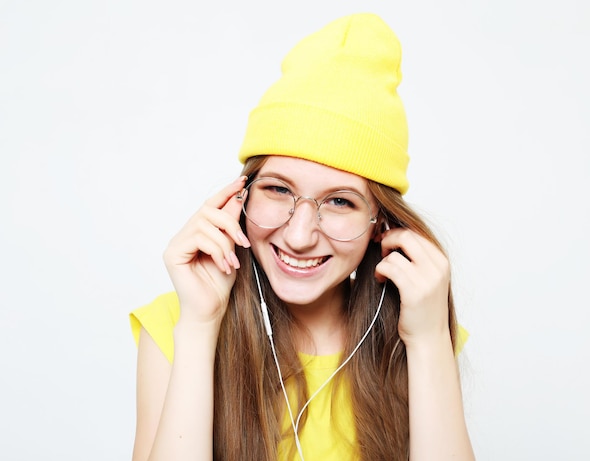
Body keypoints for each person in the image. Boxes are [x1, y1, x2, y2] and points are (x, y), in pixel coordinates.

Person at [130, 12, 475, 461]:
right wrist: (199, 327)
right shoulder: (177, 323)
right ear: (241, 197)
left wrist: (429, 341)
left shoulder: (415, 332)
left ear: (380, 225)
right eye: (277, 189)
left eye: (340, 202)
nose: (298, 236)